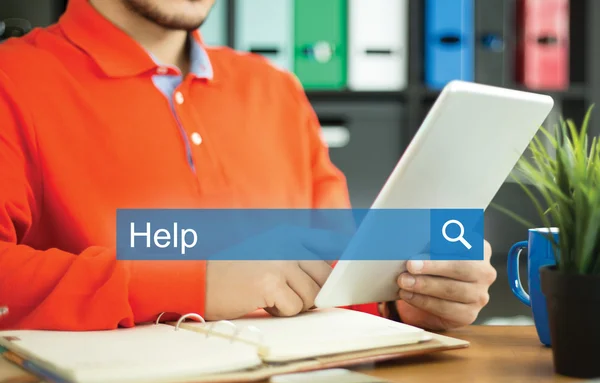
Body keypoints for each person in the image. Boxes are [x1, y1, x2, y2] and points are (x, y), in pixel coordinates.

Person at [0, 0, 497, 331]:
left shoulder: (276, 89)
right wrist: (194, 282)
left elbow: (332, 275)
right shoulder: (13, 79)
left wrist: (402, 299)